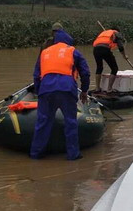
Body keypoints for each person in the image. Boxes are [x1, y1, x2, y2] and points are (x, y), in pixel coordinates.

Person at [30, 26, 90, 160]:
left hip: (46, 90)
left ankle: (36, 154)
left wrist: (39, 92)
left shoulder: (44, 52)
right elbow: (85, 73)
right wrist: (84, 90)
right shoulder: (73, 51)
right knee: (70, 122)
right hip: (67, 89)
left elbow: (36, 75)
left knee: (42, 123)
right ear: (68, 41)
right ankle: (73, 155)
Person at [92, 26, 128, 93]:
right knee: (114, 68)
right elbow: (120, 47)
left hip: (95, 49)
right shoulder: (116, 33)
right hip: (104, 49)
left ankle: (97, 88)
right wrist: (124, 56)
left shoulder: (105, 33)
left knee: (99, 67)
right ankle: (109, 89)